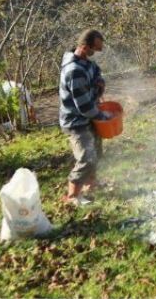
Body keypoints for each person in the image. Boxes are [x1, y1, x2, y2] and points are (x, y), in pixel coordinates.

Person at [58, 29, 109, 205]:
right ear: (84, 47)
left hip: (88, 116)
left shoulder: (85, 62)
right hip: (76, 121)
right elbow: (85, 106)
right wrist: (103, 116)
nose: (94, 54)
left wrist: (99, 81)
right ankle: (72, 196)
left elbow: (96, 71)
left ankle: (90, 184)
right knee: (86, 157)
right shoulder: (74, 71)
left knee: (97, 151)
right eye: (93, 50)